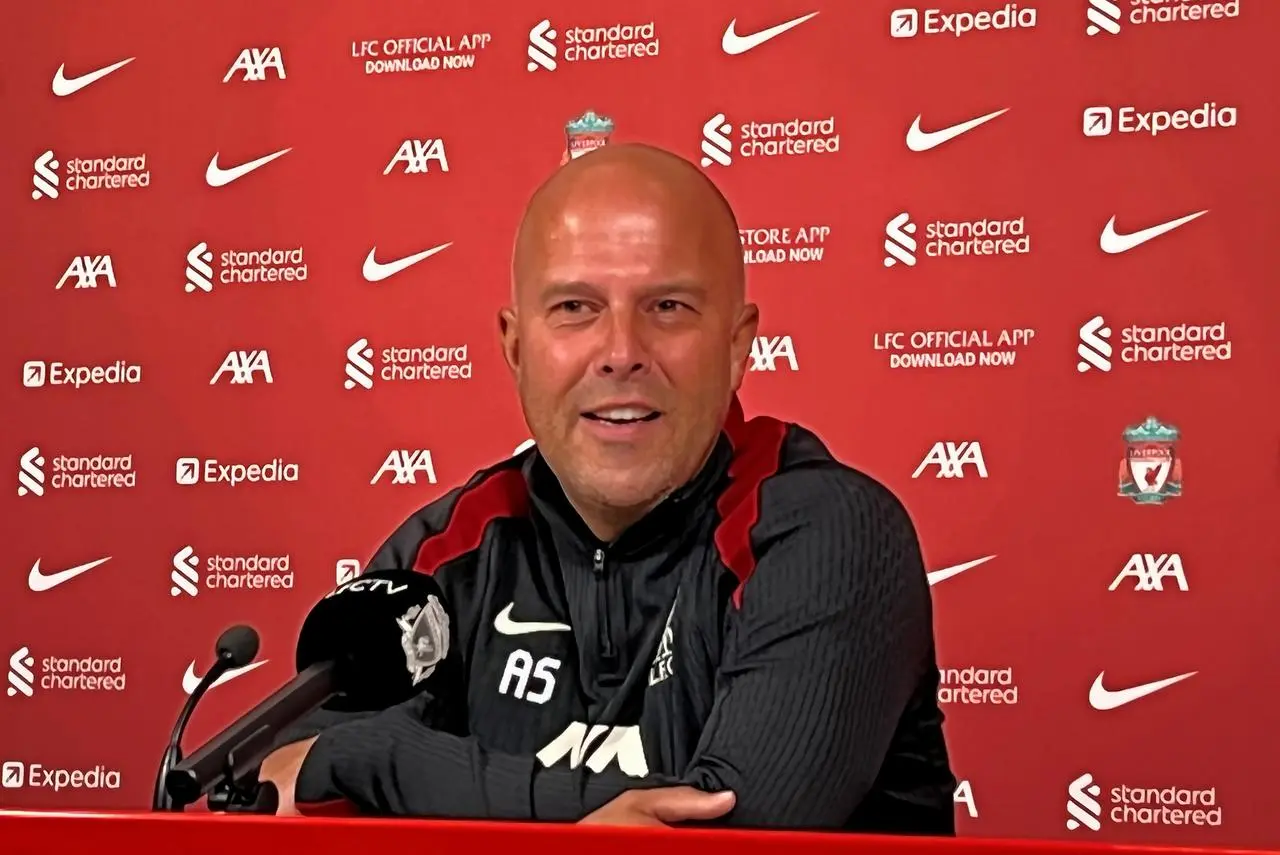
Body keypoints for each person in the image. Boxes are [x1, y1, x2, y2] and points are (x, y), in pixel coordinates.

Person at [258, 143, 956, 832]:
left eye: (669, 306)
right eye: (574, 307)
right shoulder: (451, 551)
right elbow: (279, 784)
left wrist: (374, 758)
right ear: (516, 347)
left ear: (739, 345)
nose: (621, 351)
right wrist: (372, 756)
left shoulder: (827, 531)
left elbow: (730, 835)